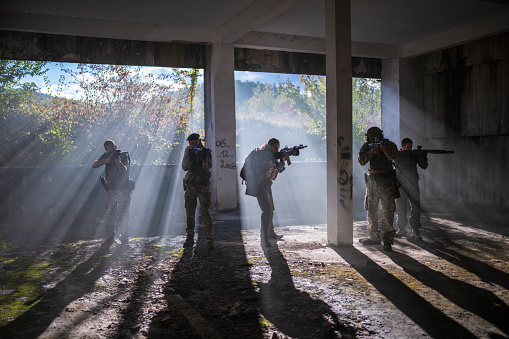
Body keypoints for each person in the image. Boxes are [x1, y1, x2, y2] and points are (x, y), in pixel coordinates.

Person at [358, 127, 399, 251]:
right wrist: (371, 153)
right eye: (371, 138)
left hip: (386, 179)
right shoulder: (367, 146)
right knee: (372, 209)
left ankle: (387, 240)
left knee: (387, 210)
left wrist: (385, 150)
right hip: (373, 180)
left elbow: (394, 155)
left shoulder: (388, 144)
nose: (373, 140)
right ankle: (373, 237)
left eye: (375, 137)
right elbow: (361, 161)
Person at [243, 138, 285, 247]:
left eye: (278, 148)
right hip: (259, 185)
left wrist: (282, 159)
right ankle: (264, 238)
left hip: (266, 184)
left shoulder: (269, 155)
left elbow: (278, 169)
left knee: (271, 209)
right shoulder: (263, 155)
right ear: (269, 146)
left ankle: (270, 233)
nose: (276, 150)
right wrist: (280, 159)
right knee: (267, 210)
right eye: (275, 147)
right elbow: (270, 168)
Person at [92, 140, 134, 245]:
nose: (109, 151)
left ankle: (124, 237)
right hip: (111, 189)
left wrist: (118, 161)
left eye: (110, 148)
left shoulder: (123, 155)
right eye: (106, 149)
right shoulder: (106, 156)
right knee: (110, 214)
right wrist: (106, 160)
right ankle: (110, 237)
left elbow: (124, 170)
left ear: (115, 146)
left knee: (123, 214)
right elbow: (94, 164)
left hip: (123, 189)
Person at [182, 133, 214, 249]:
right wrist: (190, 155)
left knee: (206, 213)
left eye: (196, 142)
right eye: (191, 143)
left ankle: (210, 239)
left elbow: (208, 166)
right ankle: (190, 238)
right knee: (190, 213)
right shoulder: (188, 152)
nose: (194, 144)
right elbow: (185, 167)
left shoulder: (206, 151)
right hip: (191, 186)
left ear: (199, 141)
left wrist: (203, 156)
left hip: (203, 185)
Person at [394, 138, 428, 241]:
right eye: (407, 147)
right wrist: (409, 156)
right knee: (401, 206)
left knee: (416, 206)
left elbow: (424, 166)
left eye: (410, 147)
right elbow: (398, 165)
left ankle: (415, 230)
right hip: (400, 184)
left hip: (413, 183)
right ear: (402, 146)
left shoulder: (413, 154)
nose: (409, 149)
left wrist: (422, 156)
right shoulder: (398, 154)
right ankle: (402, 228)